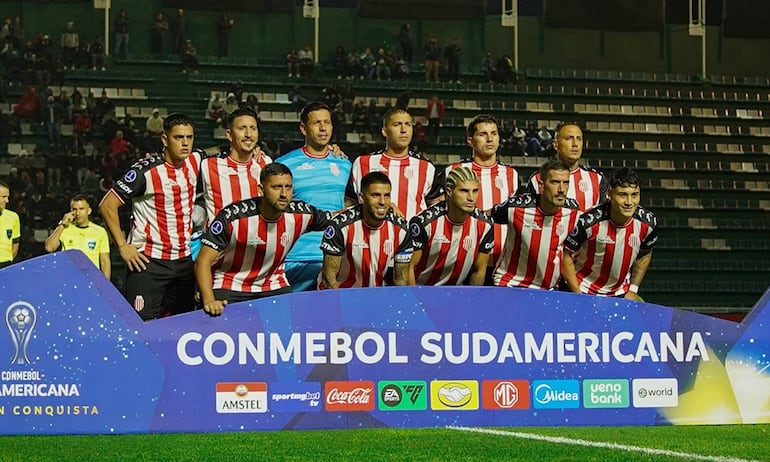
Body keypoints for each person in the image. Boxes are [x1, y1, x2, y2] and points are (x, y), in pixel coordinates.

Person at [100, 113, 203, 321]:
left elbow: (216, 153)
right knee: (142, 329)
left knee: (181, 329)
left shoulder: (195, 160)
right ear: (165, 139)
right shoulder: (144, 172)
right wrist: (122, 246)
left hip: (183, 262)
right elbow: (107, 205)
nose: (185, 143)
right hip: (148, 263)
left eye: (189, 137)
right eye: (178, 137)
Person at [195, 163, 333, 314]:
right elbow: (203, 261)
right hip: (230, 283)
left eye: (288, 187)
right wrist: (209, 300)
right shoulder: (233, 217)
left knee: (289, 326)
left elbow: (337, 219)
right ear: (261, 190)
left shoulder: (302, 214)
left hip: (273, 283)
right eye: (276, 187)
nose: (283, 194)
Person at [279, 102, 353, 292]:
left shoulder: (344, 164)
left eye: (327, 122)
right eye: (316, 123)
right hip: (295, 257)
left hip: (334, 257)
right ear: (303, 128)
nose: (323, 128)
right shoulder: (285, 164)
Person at [562, 167, 658, 300]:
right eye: (622, 195)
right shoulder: (588, 222)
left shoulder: (648, 223)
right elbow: (565, 255)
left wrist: (633, 289)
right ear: (609, 194)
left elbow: (645, 254)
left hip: (619, 295)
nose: (629, 202)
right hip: (583, 290)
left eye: (634, 195)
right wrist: (577, 293)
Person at [446, 114, 519, 280]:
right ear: (470, 141)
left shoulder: (511, 174)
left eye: (494, 133)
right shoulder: (454, 170)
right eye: (483, 134)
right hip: (463, 259)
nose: (489, 139)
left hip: (501, 262)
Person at [490, 159, 581, 289]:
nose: (561, 189)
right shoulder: (516, 207)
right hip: (511, 284)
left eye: (565, 183)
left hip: (548, 290)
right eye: (555, 182)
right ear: (541, 185)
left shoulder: (573, 211)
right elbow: (484, 216)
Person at [395, 166, 493, 286]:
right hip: (422, 290)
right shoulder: (424, 223)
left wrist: (471, 301)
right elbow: (409, 267)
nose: (471, 198)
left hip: (456, 293)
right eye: (464, 191)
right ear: (449, 191)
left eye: (475, 191)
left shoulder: (485, 225)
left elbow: (479, 270)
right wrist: (415, 301)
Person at [347, 108, 443, 219]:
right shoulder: (363, 163)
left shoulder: (426, 167)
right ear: (384, 131)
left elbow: (435, 208)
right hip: (371, 234)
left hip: (412, 235)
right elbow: (349, 203)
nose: (403, 130)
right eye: (397, 124)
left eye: (408, 124)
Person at [319, 172, 408, 289]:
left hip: (375, 295)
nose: (382, 201)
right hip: (342, 294)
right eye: (375, 195)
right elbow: (329, 279)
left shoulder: (401, 228)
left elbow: (401, 280)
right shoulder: (340, 226)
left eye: (387, 196)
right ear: (361, 198)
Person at [198, 107, 272, 227]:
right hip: (220, 244)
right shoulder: (208, 166)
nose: (248, 134)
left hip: (257, 243)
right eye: (242, 128)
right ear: (229, 134)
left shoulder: (266, 163)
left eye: (253, 128)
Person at [524, 122, 609, 211]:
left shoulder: (597, 179)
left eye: (579, 139)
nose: (575, 144)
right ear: (555, 144)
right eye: (569, 138)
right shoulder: (537, 179)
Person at [44, 195, 110, 279]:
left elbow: (105, 262)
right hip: (68, 279)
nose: (78, 213)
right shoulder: (64, 229)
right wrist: (62, 224)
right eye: (74, 209)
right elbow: (49, 247)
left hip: (91, 280)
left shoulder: (100, 232)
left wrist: (106, 287)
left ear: (89, 211)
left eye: (81, 209)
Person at [0, 181, 20, 269]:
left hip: (6, 266)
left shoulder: (13, 217)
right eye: (3, 197)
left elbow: (15, 246)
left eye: (7, 197)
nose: (7, 201)